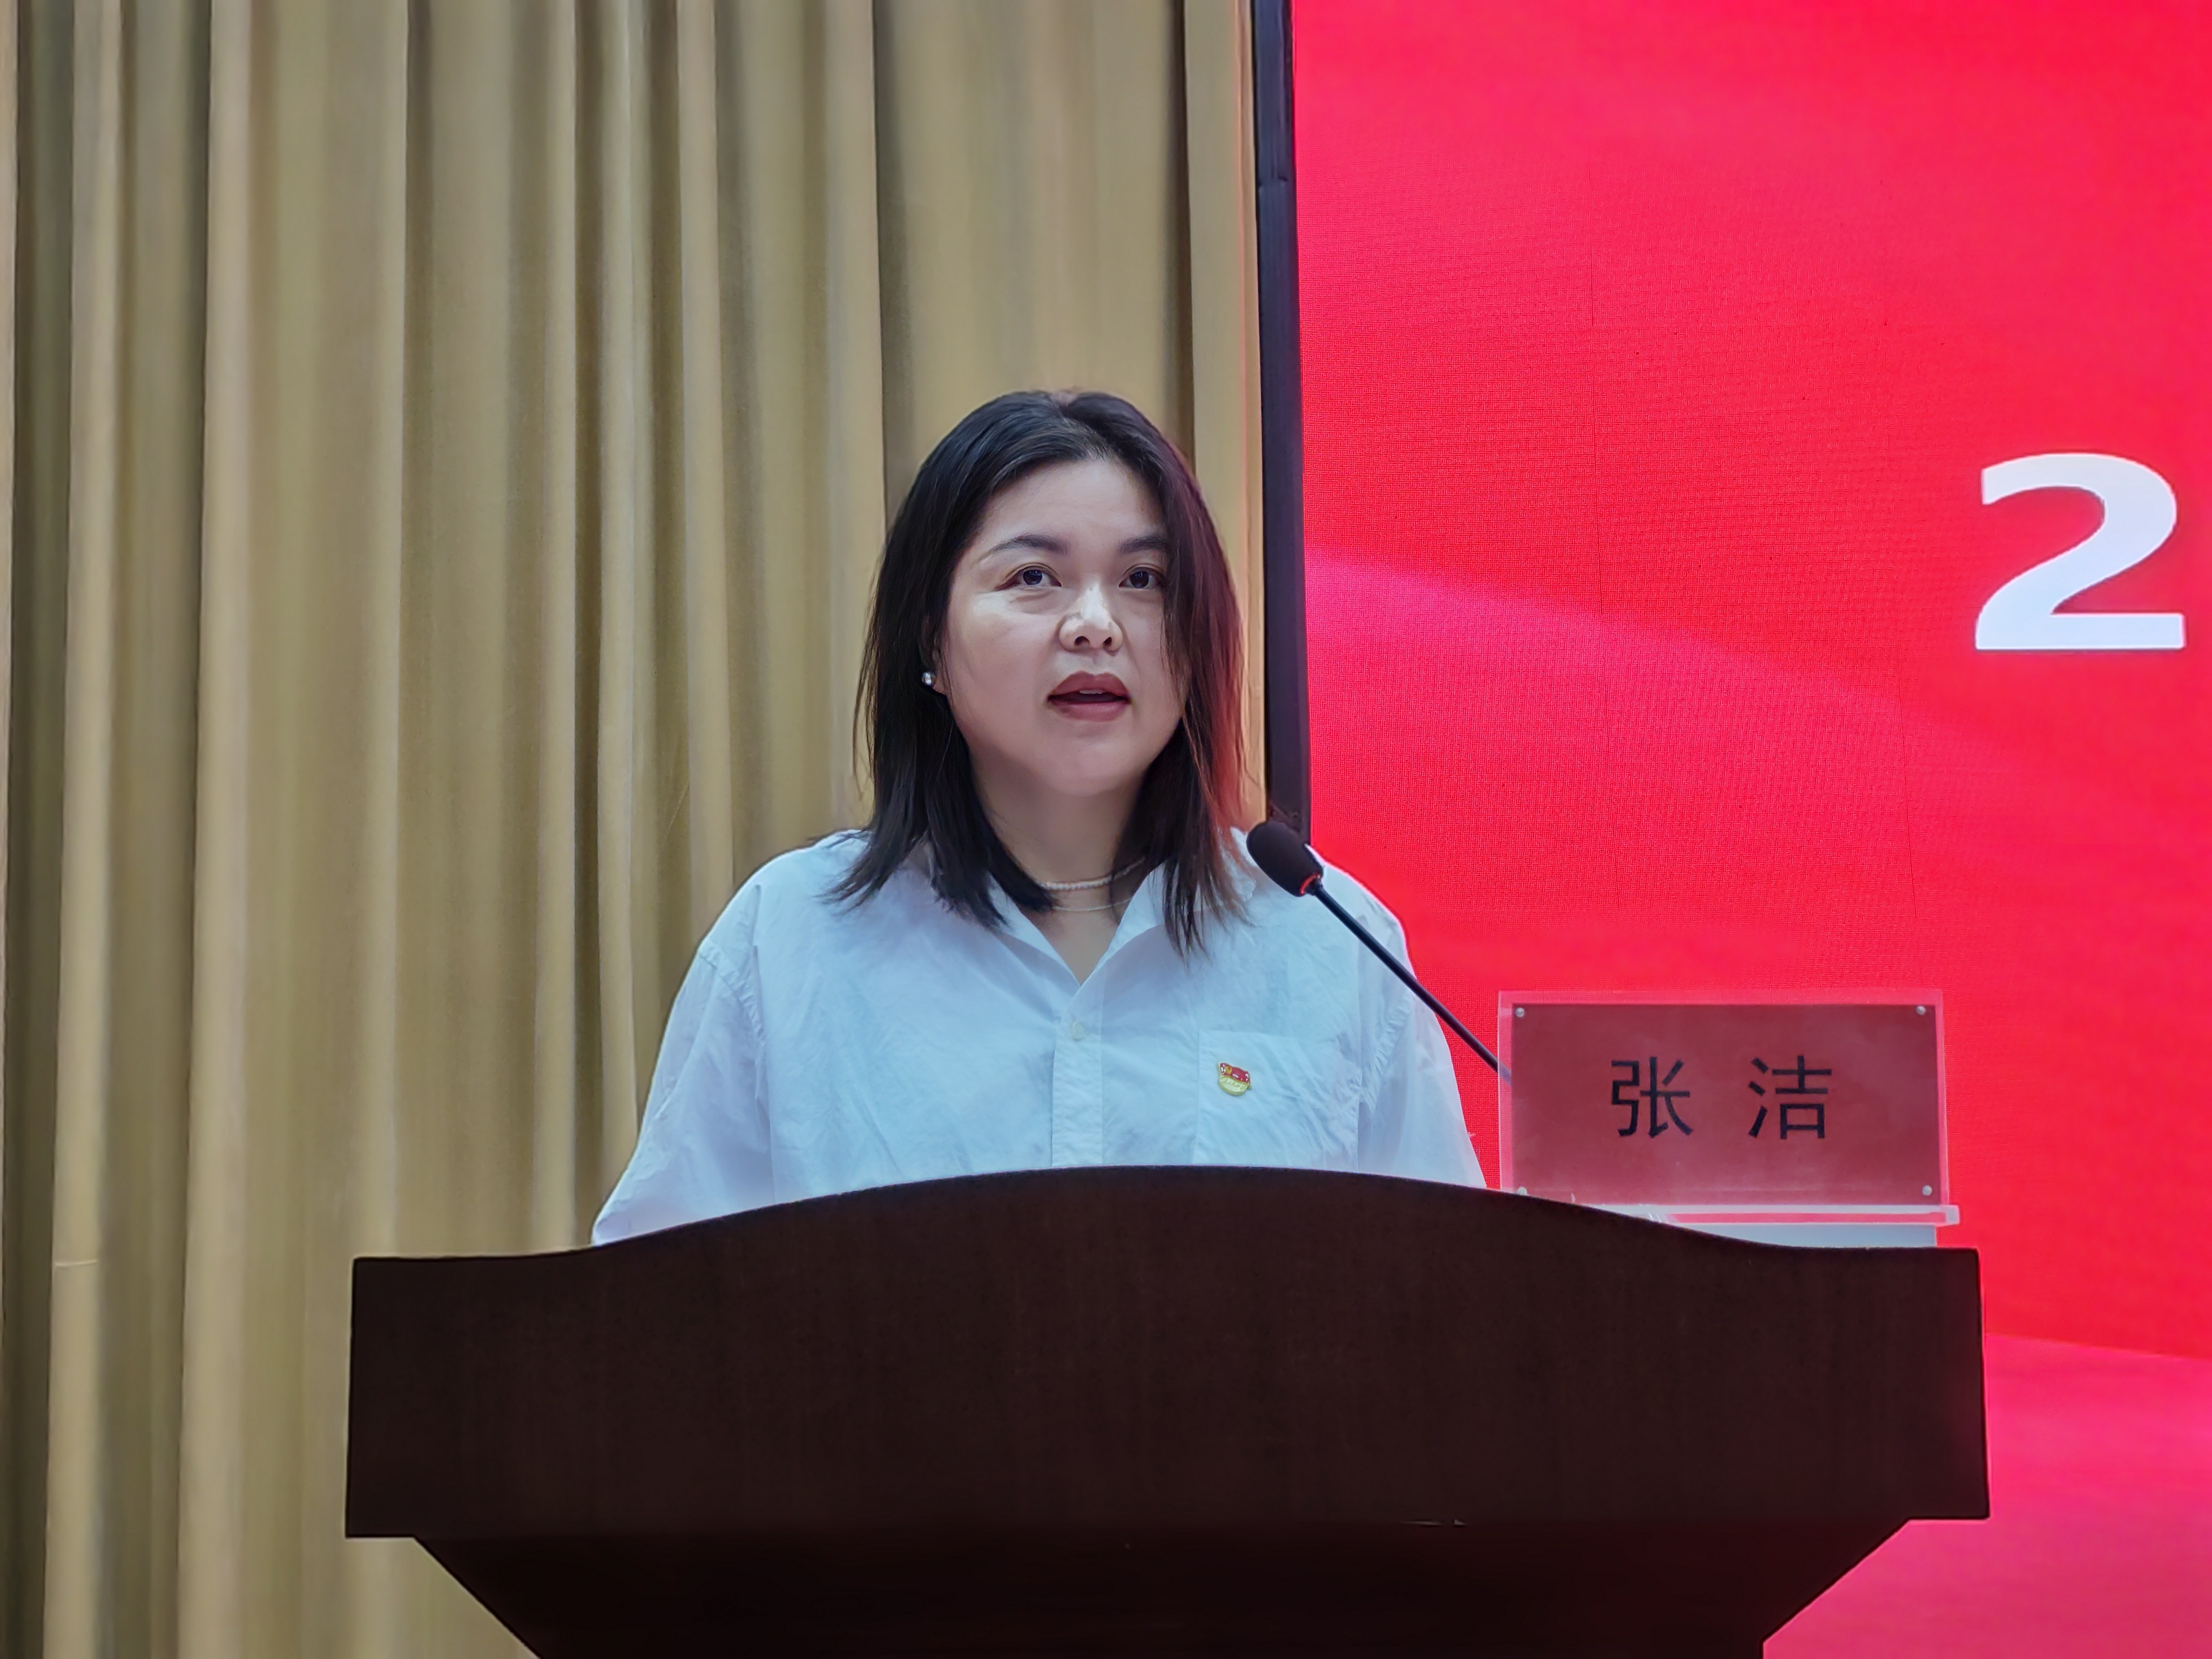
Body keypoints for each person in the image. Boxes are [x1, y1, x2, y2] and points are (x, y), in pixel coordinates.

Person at [592, 390, 1483, 1242]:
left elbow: (1447, 1300)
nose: (1096, 625)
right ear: (930, 638)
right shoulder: (789, 941)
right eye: (1033, 577)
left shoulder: (1327, 946)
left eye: (1143, 579)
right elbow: (661, 1311)